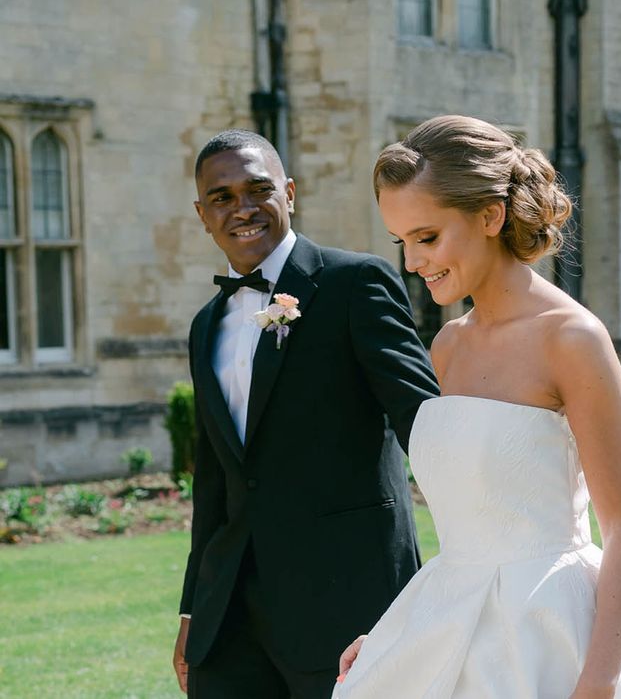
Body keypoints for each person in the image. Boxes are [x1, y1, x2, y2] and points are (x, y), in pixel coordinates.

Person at [332, 115, 621, 698]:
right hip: (454, 620)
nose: (413, 263)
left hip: (553, 634)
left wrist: (600, 679)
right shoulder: (447, 346)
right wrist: (398, 639)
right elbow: (473, 519)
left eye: (427, 237)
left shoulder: (571, 338)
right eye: (403, 242)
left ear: (491, 217)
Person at [172, 129, 440, 699]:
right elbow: (216, 478)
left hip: (348, 603)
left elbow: (426, 424)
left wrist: (466, 571)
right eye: (221, 197)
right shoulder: (205, 326)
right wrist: (194, 610)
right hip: (232, 620)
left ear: (289, 193)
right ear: (202, 214)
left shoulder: (355, 284)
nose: (241, 209)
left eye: (258, 189)